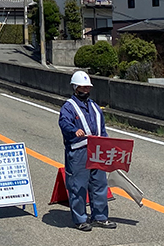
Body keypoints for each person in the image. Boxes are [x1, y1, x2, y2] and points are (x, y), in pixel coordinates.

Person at [58, 70, 117, 232]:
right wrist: (73, 130)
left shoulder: (95, 106)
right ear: (75, 87)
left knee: (99, 184)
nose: (86, 90)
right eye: (82, 87)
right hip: (78, 152)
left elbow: (101, 128)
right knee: (78, 186)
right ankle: (80, 219)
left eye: (88, 87)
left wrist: (107, 145)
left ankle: (100, 217)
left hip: (96, 150)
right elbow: (63, 122)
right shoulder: (69, 107)